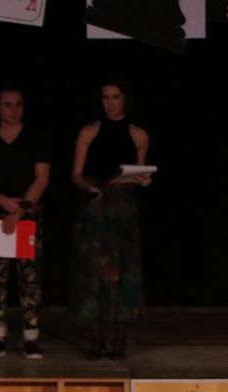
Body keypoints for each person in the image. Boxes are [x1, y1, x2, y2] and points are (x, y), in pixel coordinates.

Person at [70, 80, 150, 361]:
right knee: (92, 272)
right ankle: (96, 341)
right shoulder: (89, 132)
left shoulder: (138, 134)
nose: (110, 103)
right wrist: (88, 187)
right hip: (96, 206)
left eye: (115, 97)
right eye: (105, 97)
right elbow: (76, 174)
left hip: (123, 209)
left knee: (125, 272)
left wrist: (143, 179)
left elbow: (138, 173)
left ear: (124, 99)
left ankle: (119, 342)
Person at [0, 86, 50, 360]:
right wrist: (4, 202)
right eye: (8, 105)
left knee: (29, 278)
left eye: (18, 104)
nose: (14, 110)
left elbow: (42, 177)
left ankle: (30, 338)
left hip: (27, 212)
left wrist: (18, 211)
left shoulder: (35, 137)